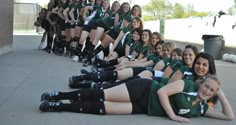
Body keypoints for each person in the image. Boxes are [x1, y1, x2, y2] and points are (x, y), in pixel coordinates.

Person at [39, 75, 234, 123]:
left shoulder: (201, 108)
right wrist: (172, 116)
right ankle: (60, 95)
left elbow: (229, 117)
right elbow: (162, 93)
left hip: (143, 107)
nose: (207, 91)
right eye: (206, 86)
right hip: (145, 90)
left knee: (102, 109)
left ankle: (57, 107)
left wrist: (221, 93)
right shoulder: (188, 85)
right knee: (102, 94)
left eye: (212, 91)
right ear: (200, 84)